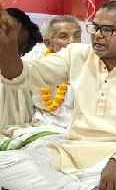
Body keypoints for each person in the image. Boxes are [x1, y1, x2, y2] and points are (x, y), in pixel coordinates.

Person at [0, 0, 116, 190]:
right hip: (73, 148)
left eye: (108, 30)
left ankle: (65, 184)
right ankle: (83, 189)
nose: (98, 35)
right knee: (4, 162)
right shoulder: (76, 54)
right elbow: (25, 76)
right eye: (95, 27)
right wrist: (6, 46)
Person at [1, 15, 81, 149]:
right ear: (48, 43)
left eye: (77, 36)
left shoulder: (89, 64)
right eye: (63, 36)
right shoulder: (36, 64)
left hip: (75, 130)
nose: (72, 42)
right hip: (41, 128)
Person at [0, 8, 43, 129]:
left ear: (24, 30)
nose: (4, 32)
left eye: (7, 27)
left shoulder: (39, 53)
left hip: (24, 128)